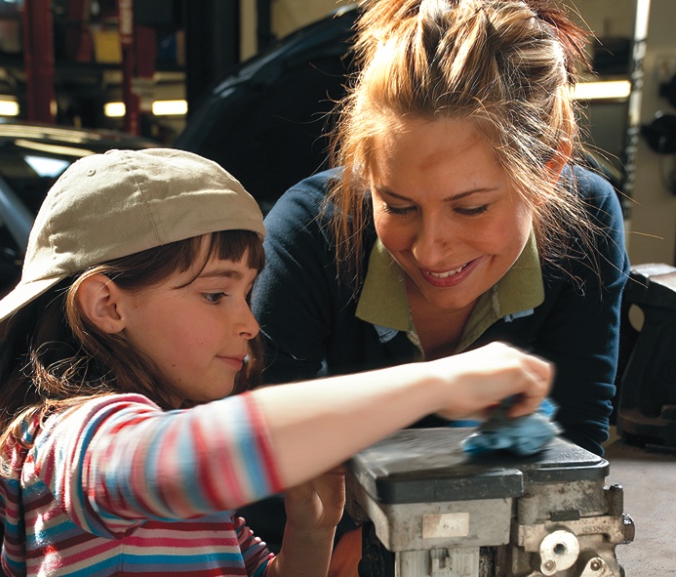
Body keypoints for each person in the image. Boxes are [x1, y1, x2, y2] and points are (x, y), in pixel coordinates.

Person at [0, 148, 551, 577]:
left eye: (247, 294)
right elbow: (181, 459)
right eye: (216, 294)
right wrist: (434, 382)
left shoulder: (200, 511)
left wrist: (310, 534)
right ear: (107, 304)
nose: (248, 322)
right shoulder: (69, 439)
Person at [247, 0, 630, 564]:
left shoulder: (588, 221)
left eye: (471, 208)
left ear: (548, 171)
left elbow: (570, 451)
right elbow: (264, 477)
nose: (429, 250)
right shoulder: (308, 233)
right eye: (397, 205)